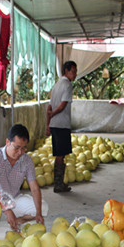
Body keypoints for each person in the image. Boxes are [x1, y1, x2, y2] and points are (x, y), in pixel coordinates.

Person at [0, 124, 47, 231]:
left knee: (43, 207)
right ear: (7, 142)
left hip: (13, 199)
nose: (20, 152)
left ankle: (17, 221)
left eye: (23, 148)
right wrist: (8, 211)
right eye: (17, 147)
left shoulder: (27, 160)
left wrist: (38, 213)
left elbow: (34, 188)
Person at [46, 60, 77, 193]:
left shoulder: (57, 85)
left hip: (55, 124)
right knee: (60, 154)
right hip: (62, 124)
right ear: (66, 71)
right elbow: (63, 104)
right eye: (73, 71)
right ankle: (58, 184)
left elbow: (49, 106)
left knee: (60, 154)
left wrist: (48, 123)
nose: (75, 74)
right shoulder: (67, 85)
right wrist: (53, 114)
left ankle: (59, 183)